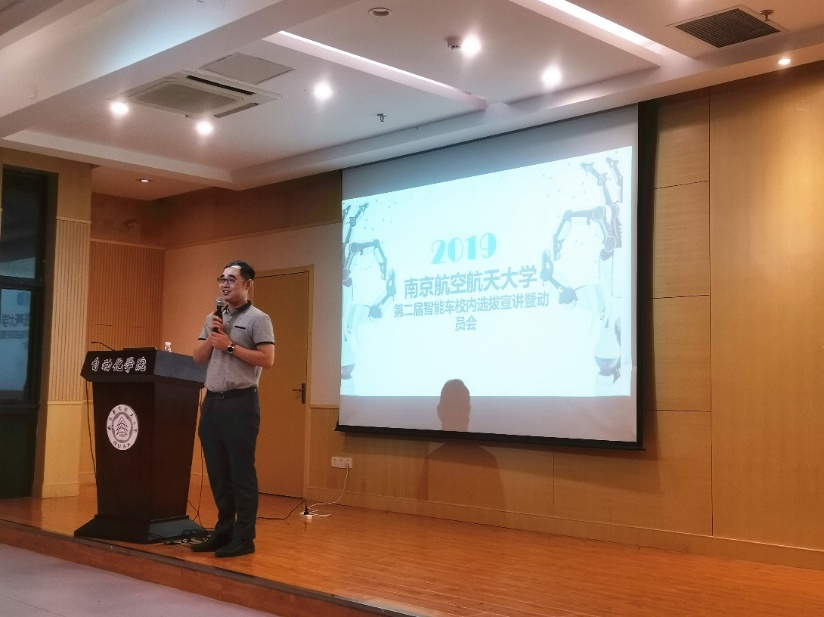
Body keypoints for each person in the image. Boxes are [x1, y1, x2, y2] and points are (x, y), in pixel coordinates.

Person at [191, 260, 275, 558]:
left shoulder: (258, 319)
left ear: (247, 284)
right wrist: (213, 338)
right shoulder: (212, 318)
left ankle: (244, 537)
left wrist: (229, 345)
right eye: (222, 279)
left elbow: (267, 359)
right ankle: (223, 531)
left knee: (241, 473)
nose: (225, 284)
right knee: (218, 473)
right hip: (213, 402)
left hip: (241, 402)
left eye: (231, 279)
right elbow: (198, 357)